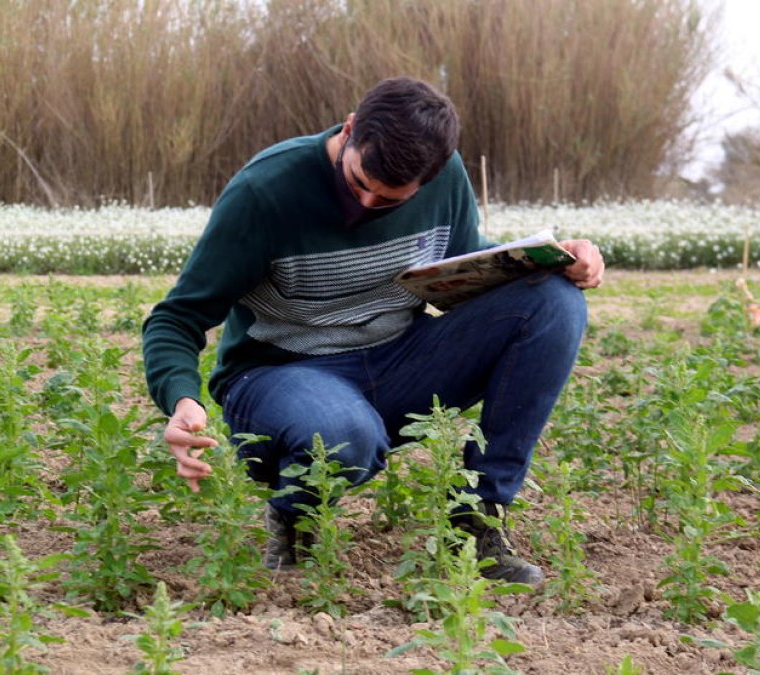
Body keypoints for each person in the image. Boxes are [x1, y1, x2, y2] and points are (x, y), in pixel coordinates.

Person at [143, 76, 605, 585]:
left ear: (429, 179)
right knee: (343, 435)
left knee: (554, 300)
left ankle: (476, 521)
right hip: (283, 376)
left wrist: (557, 261)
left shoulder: (445, 177)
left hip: (397, 359)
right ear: (351, 128)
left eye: (388, 201)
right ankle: (297, 514)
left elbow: (464, 265)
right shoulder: (265, 193)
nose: (364, 205)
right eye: (359, 181)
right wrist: (182, 400)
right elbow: (176, 317)